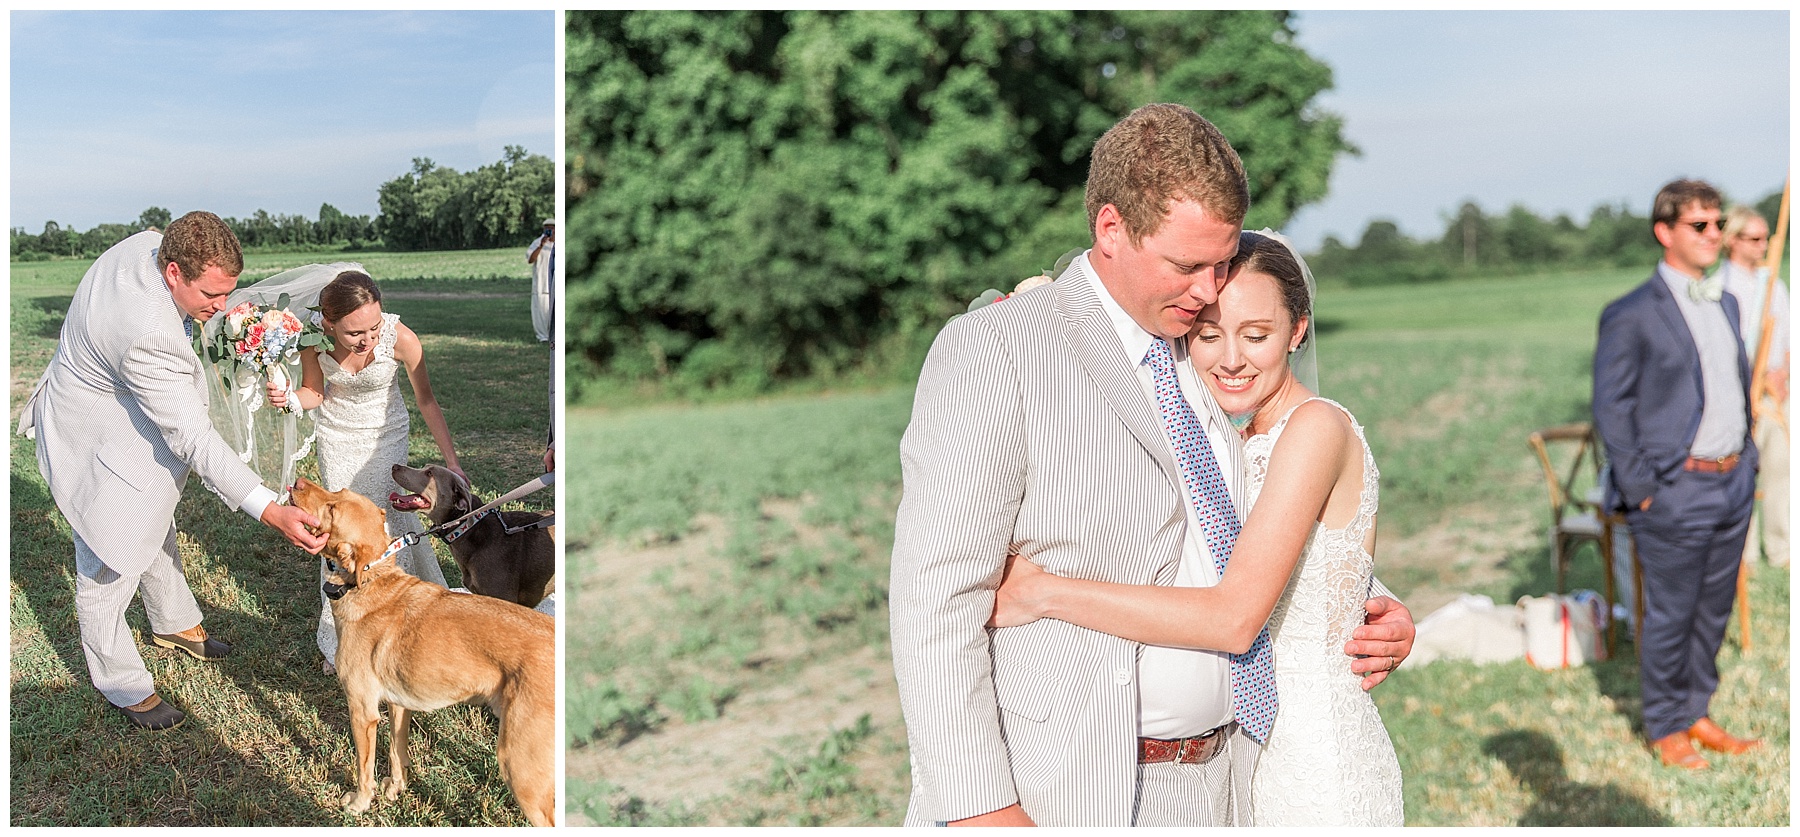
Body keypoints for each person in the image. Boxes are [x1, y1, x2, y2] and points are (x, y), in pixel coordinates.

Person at [888, 104, 1415, 827]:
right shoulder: (1000, 351)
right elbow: (935, 601)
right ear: (1111, 229)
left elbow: (1231, 517)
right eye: (1187, 265)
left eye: (1222, 262)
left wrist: (1363, 599)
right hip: (1070, 791)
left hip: (1231, 782)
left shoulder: (1205, 352)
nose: (1209, 290)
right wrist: (983, 811)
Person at [989, 230, 1403, 825]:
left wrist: (1043, 592)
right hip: (1243, 761)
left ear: (1298, 331)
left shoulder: (1314, 429)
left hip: (1315, 759)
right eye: (1209, 336)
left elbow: (1236, 617)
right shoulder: (1220, 435)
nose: (1231, 359)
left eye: (1256, 335)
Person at [21, 211, 327, 731]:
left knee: (153, 510)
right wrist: (271, 511)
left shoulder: (152, 241)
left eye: (226, 293)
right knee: (107, 556)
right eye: (211, 295)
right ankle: (121, 683)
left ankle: (174, 623)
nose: (222, 306)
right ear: (173, 272)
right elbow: (193, 437)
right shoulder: (145, 330)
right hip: (92, 424)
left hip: (123, 399)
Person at [1592, 179, 1761, 770]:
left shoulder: (1726, 302)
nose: (1715, 234)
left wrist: (1749, 461)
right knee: (1672, 612)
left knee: (1713, 609)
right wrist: (1643, 491)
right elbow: (1612, 408)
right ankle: (1666, 726)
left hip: (1733, 482)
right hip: (1674, 490)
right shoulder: (1631, 313)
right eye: (1700, 225)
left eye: (1718, 224)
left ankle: (1697, 711)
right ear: (1665, 231)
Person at [266, 271, 462, 673]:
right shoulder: (314, 341)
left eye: (374, 328)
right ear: (329, 323)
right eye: (355, 332)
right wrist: (289, 400)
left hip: (385, 439)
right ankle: (341, 634)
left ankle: (404, 625)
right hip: (337, 438)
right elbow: (314, 392)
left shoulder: (401, 338)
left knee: (390, 525)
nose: (368, 339)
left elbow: (427, 401)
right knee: (338, 532)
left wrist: (453, 462)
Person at [1716, 205, 1788, 568]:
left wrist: (1783, 374)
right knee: (1742, 474)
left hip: (1777, 392)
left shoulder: (1774, 283)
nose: (1762, 245)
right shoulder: (1719, 286)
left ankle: (1782, 547)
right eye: (1754, 238)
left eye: (1765, 238)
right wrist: (1750, 383)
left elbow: (1788, 337)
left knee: (1783, 469)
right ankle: (1743, 555)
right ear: (1733, 240)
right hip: (1739, 393)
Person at [528, 218, 555, 342]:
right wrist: (541, 245)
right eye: (547, 228)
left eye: (552, 228)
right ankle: (543, 336)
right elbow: (530, 259)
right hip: (540, 284)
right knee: (540, 311)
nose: (550, 230)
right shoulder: (537, 242)